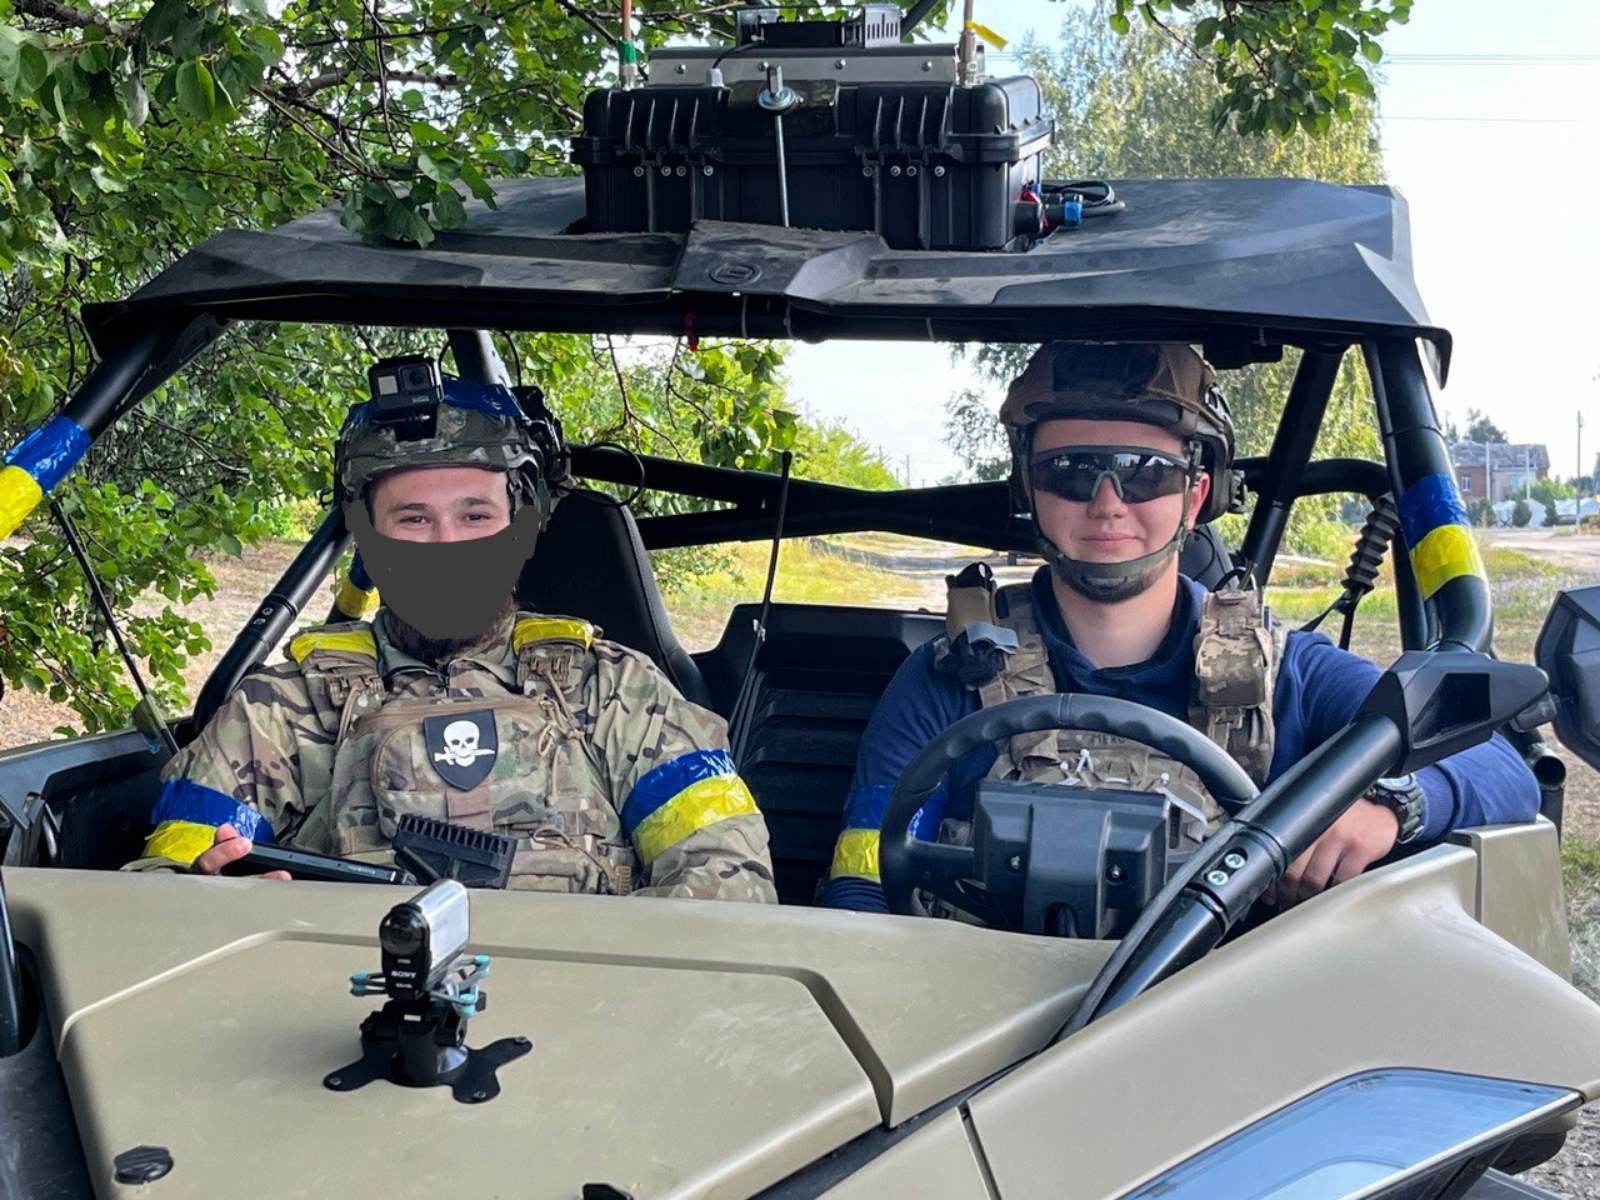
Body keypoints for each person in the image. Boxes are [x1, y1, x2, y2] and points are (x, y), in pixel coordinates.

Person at [821, 341, 1538, 914]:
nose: (1107, 502)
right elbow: (863, 884)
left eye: (1144, 473)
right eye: (1071, 471)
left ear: (1195, 495)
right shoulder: (950, 678)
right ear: (1030, 489)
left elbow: (1498, 764)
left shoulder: (1289, 675)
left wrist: (1389, 802)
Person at [129, 364, 777, 902]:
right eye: (413, 519)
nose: (447, 546)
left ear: (520, 530)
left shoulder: (617, 690)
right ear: (368, 538)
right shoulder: (280, 708)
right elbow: (156, 892)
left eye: (475, 516)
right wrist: (208, 894)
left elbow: (732, 884)